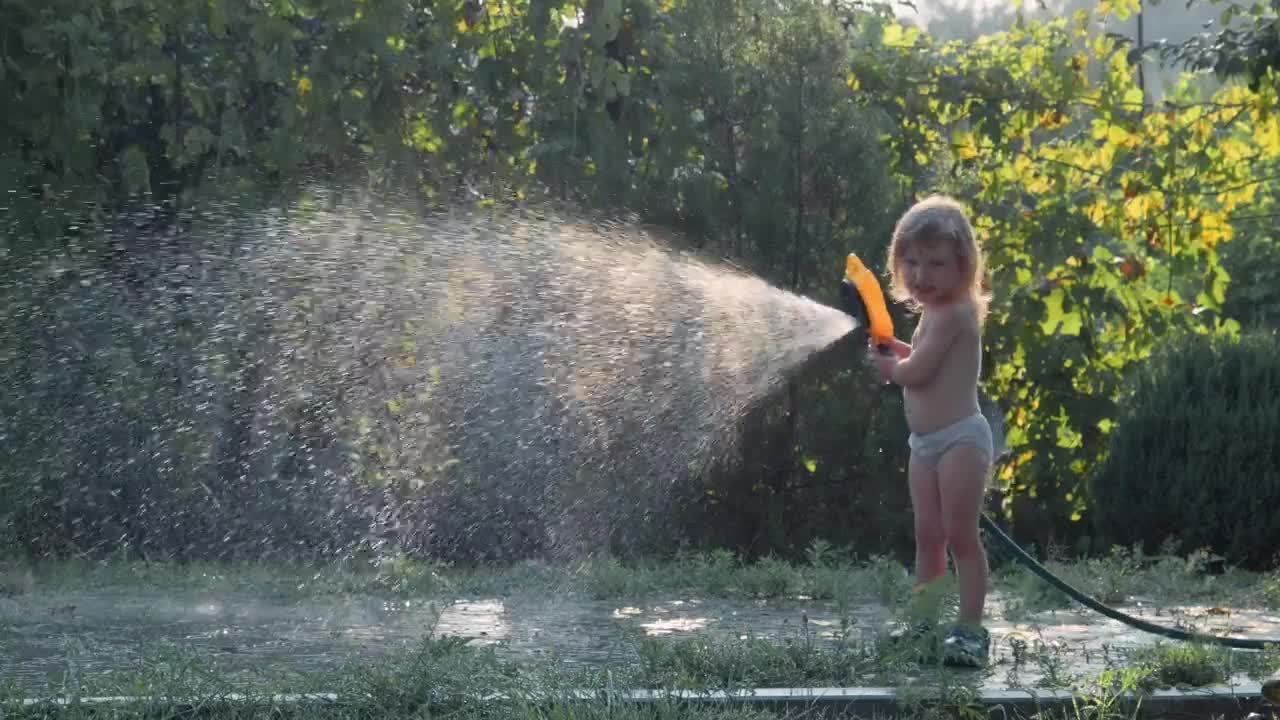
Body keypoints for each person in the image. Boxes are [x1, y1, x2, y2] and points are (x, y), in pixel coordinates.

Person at [868, 194, 994, 668]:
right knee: (928, 534)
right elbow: (920, 355)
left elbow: (917, 372)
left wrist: (889, 367)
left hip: (960, 440)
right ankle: (924, 623)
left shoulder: (956, 312)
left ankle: (970, 630)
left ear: (964, 266)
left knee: (961, 534)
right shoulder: (932, 312)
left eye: (937, 264)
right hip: (924, 446)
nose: (922, 276)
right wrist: (892, 348)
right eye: (912, 263)